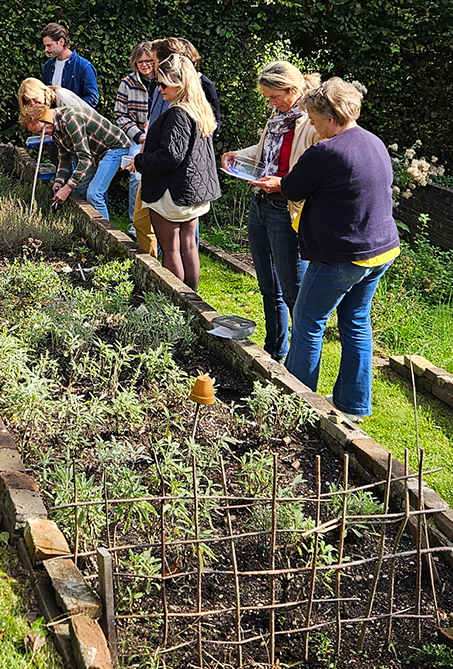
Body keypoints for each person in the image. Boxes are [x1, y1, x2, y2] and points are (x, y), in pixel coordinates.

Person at [267, 79, 400, 421]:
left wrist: (276, 183)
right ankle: (354, 405)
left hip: (343, 255)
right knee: (356, 321)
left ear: (331, 116)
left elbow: (292, 187)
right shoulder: (373, 142)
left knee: (308, 320)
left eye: (312, 117)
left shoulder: (326, 152)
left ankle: (297, 404)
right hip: (381, 250)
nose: (309, 124)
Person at [220, 62, 321, 361]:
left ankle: (301, 362)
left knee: (293, 291)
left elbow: (315, 166)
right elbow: (266, 152)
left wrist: (284, 183)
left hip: (284, 208)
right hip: (260, 203)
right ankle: (275, 351)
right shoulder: (277, 117)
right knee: (268, 286)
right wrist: (238, 156)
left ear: (293, 90)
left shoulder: (311, 121)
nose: (271, 103)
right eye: (268, 98)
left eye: (275, 97)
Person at [129, 55, 220, 290]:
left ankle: (176, 305)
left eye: (163, 84)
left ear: (179, 83)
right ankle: (193, 303)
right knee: (189, 247)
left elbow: (171, 156)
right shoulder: (199, 109)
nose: (159, 89)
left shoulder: (178, 113)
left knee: (170, 250)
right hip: (194, 191)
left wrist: (139, 162)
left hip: (171, 193)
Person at [85, 41, 155, 223]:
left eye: (148, 61)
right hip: (135, 136)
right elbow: (120, 114)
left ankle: (148, 221)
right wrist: (138, 134)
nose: (145, 65)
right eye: (140, 62)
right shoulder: (128, 83)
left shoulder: (164, 81)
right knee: (137, 175)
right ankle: (134, 222)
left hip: (157, 135)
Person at [19, 100, 131, 212]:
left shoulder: (70, 120)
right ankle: (89, 226)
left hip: (114, 148)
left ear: (46, 119)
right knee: (82, 189)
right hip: (96, 153)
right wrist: (59, 181)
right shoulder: (54, 128)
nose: (41, 135)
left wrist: (67, 188)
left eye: (40, 131)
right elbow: (65, 156)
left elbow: (85, 159)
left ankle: (105, 228)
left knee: (94, 193)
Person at [40, 23, 99, 108]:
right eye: (45, 46)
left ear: (61, 42)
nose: (46, 49)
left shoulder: (84, 66)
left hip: (76, 119)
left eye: (49, 45)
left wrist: (72, 108)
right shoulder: (48, 66)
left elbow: (92, 99)